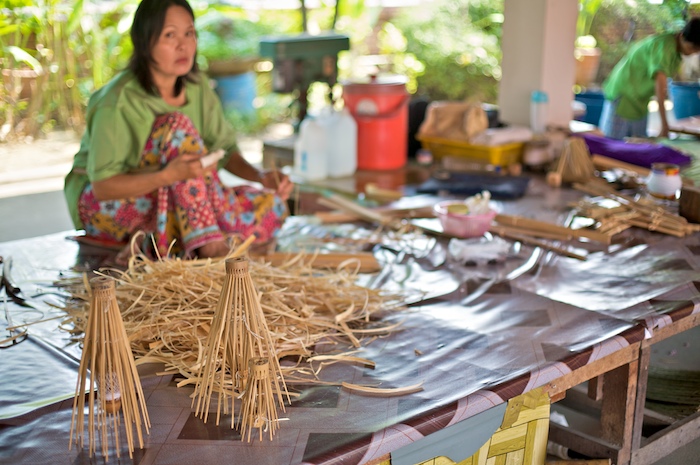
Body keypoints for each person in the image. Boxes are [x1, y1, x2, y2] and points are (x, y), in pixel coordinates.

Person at [64, 0, 293, 262]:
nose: (183, 45)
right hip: (108, 205)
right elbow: (104, 186)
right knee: (176, 127)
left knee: (271, 206)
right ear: (144, 41)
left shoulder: (197, 88)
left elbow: (225, 151)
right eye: (169, 35)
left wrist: (261, 176)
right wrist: (168, 175)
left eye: (189, 33)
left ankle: (166, 239)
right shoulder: (115, 102)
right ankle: (210, 247)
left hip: (181, 195)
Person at [599, 17, 700, 140]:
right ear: (682, 35)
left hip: (640, 100)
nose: (692, 53)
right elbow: (660, 90)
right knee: (612, 144)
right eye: (691, 48)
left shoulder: (675, 50)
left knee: (639, 145)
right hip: (624, 94)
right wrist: (664, 125)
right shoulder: (664, 48)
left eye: (697, 50)